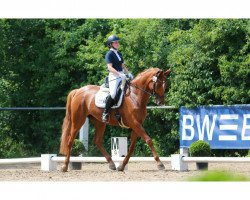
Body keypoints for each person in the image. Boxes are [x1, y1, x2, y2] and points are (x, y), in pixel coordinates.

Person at [102, 34, 133, 123]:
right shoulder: (109, 54)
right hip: (114, 76)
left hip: (122, 75)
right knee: (113, 94)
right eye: (115, 42)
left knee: (129, 90)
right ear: (110, 44)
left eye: (117, 42)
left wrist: (128, 73)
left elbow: (122, 65)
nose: (117, 43)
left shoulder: (119, 53)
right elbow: (110, 68)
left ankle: (122, 110)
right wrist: (119, 74)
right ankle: (105, 112)